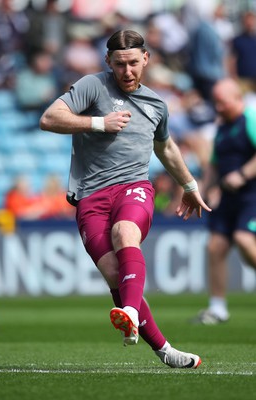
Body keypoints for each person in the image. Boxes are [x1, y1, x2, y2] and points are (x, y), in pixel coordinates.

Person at [40, 29, 211, 368]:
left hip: (133, 187)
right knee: (115, 277)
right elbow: (49, 119)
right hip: (90, 196)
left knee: (124, 232)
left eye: (133, 63)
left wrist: (190, 186)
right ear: (108, 62)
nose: (127, 71)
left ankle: (130, 311)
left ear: (146, 59)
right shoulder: (92, 86)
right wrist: (99, 123)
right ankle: (164, 350)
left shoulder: (156, 105)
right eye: (119, 64)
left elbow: (165, 148)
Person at [193, 78, 256, 325]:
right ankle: (217, 309)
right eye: (216, 103)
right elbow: (214, 164)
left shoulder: (249, 120)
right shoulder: (221, 127)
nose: (218, 107)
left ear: (237, 99)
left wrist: (243, 174)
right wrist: (205, 190)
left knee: (243, 239)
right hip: (228, 199)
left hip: (252, 195)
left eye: (222, 102)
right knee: (215, 248)